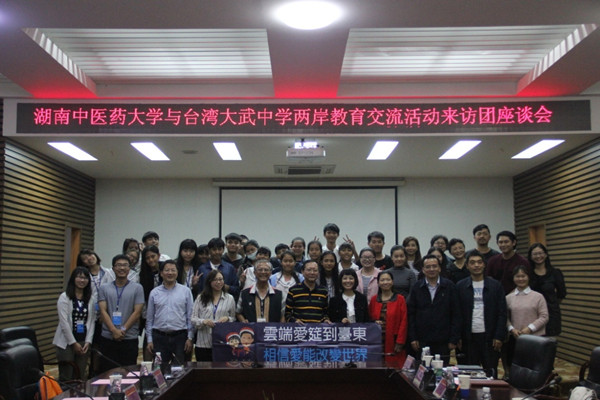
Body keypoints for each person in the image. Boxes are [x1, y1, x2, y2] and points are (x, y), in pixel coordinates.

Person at [456, 251, 507, 377]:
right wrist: (457, 336)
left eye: (479, 262)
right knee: (469, 374)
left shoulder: (496, 286)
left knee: (490, 373)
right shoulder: (460, 286)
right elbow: (456, 314)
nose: (476, 265)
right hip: (468, 338)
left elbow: (502, 312)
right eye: (472, 263)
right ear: (467, 266)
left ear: (484, 265)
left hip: (490, 337)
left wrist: (499, 335)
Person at [406, 255, 461, 364]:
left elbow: (456, 314)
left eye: (434, 266)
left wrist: (453, 339)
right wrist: (413, 337)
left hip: (443, 340)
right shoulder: (417, 287)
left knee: (441, 370)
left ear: (439, 268)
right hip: (422, 339)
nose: (431, 269)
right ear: (423, 269)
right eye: (428, 267)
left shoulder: (449, 286)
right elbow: (411, 314)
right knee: (423, 370)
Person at [97, 255, 144, 373]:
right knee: (107, 372)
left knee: (129, 372)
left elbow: (137, 312)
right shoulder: (104, 288)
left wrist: (122, 330)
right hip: (108, 337)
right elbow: (103, 311)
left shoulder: (137, 288)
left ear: (129, 269)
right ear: (113, 268)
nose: (122, 268)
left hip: (129, 337)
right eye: (118, 265)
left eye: (125, 265)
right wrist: (114, 330)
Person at [146, 260, 195, 367]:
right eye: (167, 270)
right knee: (159, 369)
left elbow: (190, 316)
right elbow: (149, 318)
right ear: (161, 273)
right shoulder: (154, 292)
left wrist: (190, 338)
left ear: (177, 272)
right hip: (159, 337)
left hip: (180, 337)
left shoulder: (186, 291)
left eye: (173, 270)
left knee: (180, 369)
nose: (170, 273)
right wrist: (149, 340)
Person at [52, 267, 95, 381]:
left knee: (80, 376)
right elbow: (64, 322)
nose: (82, 280)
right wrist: (73, 343)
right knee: (67, 377)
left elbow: (91, 321)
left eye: (85, 278)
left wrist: (88, 341)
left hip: (83, 342)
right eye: (79, 277)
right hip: (66, 343)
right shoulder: (64, 297)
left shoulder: (90, 298)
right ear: (73, 279)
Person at [505, 265, 549, 374]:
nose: (521, 279)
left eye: (523, 276)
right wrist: (511, 329)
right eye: (517, 276)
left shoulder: (538, 296)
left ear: (528, 277)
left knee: (533, 368)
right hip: (515, 338)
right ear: (513, 278)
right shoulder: (508, 298)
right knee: (515, 368)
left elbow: (544, 316)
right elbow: (505, 317)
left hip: (535, 338)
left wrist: (530, 328)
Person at [191, 270, 236, 361]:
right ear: (209, 282)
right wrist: (204, 321)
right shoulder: (200, 297)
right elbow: (193, 319)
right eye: (215, 280)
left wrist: (227, 318)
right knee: (204, 368)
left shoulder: (229, 298)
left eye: (221, 279)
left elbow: (233, 318)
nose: (218, 282)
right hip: (203, 343)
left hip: (222, 342)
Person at [369, 271, 408, 368]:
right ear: (378, 283)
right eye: (382, 280)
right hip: (377, 340)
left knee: (394, 367)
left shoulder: (400, 299)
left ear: (392, 282)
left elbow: (404, 321)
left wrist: (400, 341)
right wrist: (374, 322)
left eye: (388, 279)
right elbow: (369, 319)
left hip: (393, 340)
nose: (385, 282)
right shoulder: (374, 300)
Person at [528, 243, 567, 338]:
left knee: (550, 343)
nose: (538, 256)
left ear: (546, 254)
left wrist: (551, 303)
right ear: (530, 256)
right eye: (535, 254)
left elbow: (561, 293)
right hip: (532, 314)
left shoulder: (555, 273)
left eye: (540, 253)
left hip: (551, 314)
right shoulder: (528, 274)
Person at [487, 230, 530, 295]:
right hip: (496, 296)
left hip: (517, 296)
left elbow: (527, 282)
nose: (503, 244)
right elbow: (488, 280)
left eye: (506, 242)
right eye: (500, 242)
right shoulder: (492, 261)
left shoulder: (523, 262)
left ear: (514, 242)